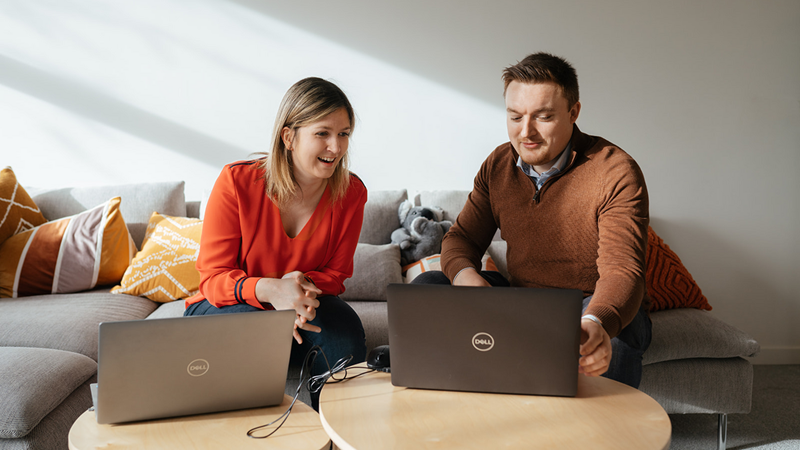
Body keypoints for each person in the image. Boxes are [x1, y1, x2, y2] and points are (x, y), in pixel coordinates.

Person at [414, 53, 652, 388]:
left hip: (591, 302)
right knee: (428, 290)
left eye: (543, 117)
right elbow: (461, 238)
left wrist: (597, 320)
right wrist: (466, 276)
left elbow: (622, 271)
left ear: (574, 112)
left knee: (608, 336)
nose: (526, 132)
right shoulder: (498, 165)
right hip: (524, 299)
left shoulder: (614, 171)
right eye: (514, 117)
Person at [184, 77, 368, 409]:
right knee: (252, 333)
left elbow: (337, 275)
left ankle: (336, 436)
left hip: (304, 304)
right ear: (289, 137)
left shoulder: (352, 193)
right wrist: (272, 291)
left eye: (344, 134)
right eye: (322, 133)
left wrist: (296, 288)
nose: (336, 147)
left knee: (345, 335)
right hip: (225, 305)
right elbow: (213, 279)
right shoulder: (237, 182)